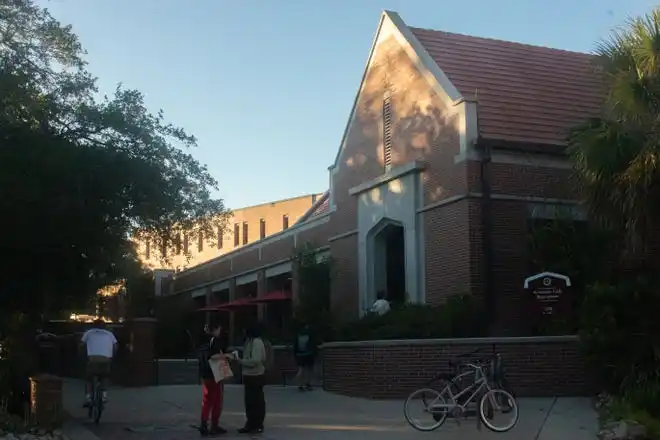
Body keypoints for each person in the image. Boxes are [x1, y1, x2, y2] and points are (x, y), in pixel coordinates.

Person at [197, 321, 229, 436]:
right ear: (215, 329)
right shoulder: (214, 341)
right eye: (219, 329)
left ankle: (204, 423)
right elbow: (214, 356)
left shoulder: (202, 341)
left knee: (206, 400)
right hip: (214, 373)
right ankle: (214, 426)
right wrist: (227, 356)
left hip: (204, 373)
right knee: (217, 401)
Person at [80, 319, 117, 407]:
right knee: (104, 377)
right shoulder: (110, 334)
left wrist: (82, 354)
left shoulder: (89, 333)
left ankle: (88, 398)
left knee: (88, 378)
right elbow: (115, 346)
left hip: (92, 359)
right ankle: (104, 396)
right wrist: (111, 356)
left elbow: (81, 345)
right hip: (106, 359)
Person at [237, 323, 266, 434]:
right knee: (249, 401)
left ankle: (258, 424)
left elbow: (256, 360)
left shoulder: (257, 342)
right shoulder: (249, 341)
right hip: (248, 375)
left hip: (256, 375)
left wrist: (241, 361)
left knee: (256, 401)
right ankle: (250, 423)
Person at [292, 324, 317, 391]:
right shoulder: (309, 334)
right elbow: (313, 344)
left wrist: (295, 354)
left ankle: (300, 385)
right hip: (308, 354)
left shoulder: (298, 335)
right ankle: (308, 384)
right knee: (309, 370)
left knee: (301, 369)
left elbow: (295, 346)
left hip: (299, 355)